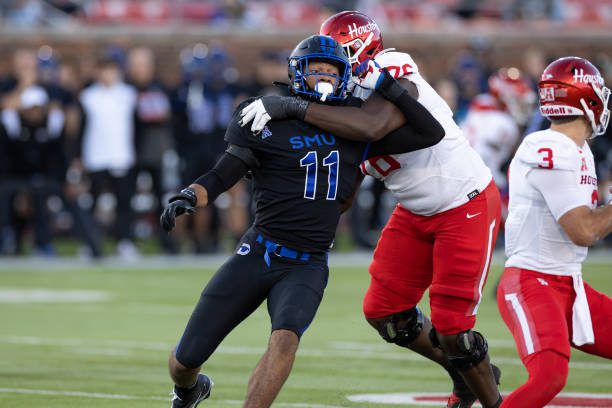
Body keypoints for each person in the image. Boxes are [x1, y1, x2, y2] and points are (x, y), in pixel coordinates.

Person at [160, 34, 445, 408]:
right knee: (185, 360)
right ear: (298, 72)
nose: (325, 77)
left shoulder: (355, 127)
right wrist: (189, 195)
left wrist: (389, 86)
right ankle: (189, 388)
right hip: (257, 252)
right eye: (317, 70)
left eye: (333, 70)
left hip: (308, 263)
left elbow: (431, 132)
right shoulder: (267, 118)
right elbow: (222, 173)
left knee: (285, 340)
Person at [240, 11, 503, 408]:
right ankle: (460, 371)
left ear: (359, 54)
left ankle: (490, 398)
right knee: (385, 311)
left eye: (334, 60)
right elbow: (346, 184)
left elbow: (373, 127)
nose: (326, 71)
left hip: (462, 203)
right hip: (415, 209)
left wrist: (292, 107)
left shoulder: (389, 69)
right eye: (320, 64)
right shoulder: (340, 103)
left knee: (453, 328)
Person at [497, 56, 612, 407]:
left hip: (569, 283)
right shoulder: (547, 147)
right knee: (549, 376)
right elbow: (583, 230)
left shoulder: (578, 148)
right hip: (533, 282)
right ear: (585, 98)